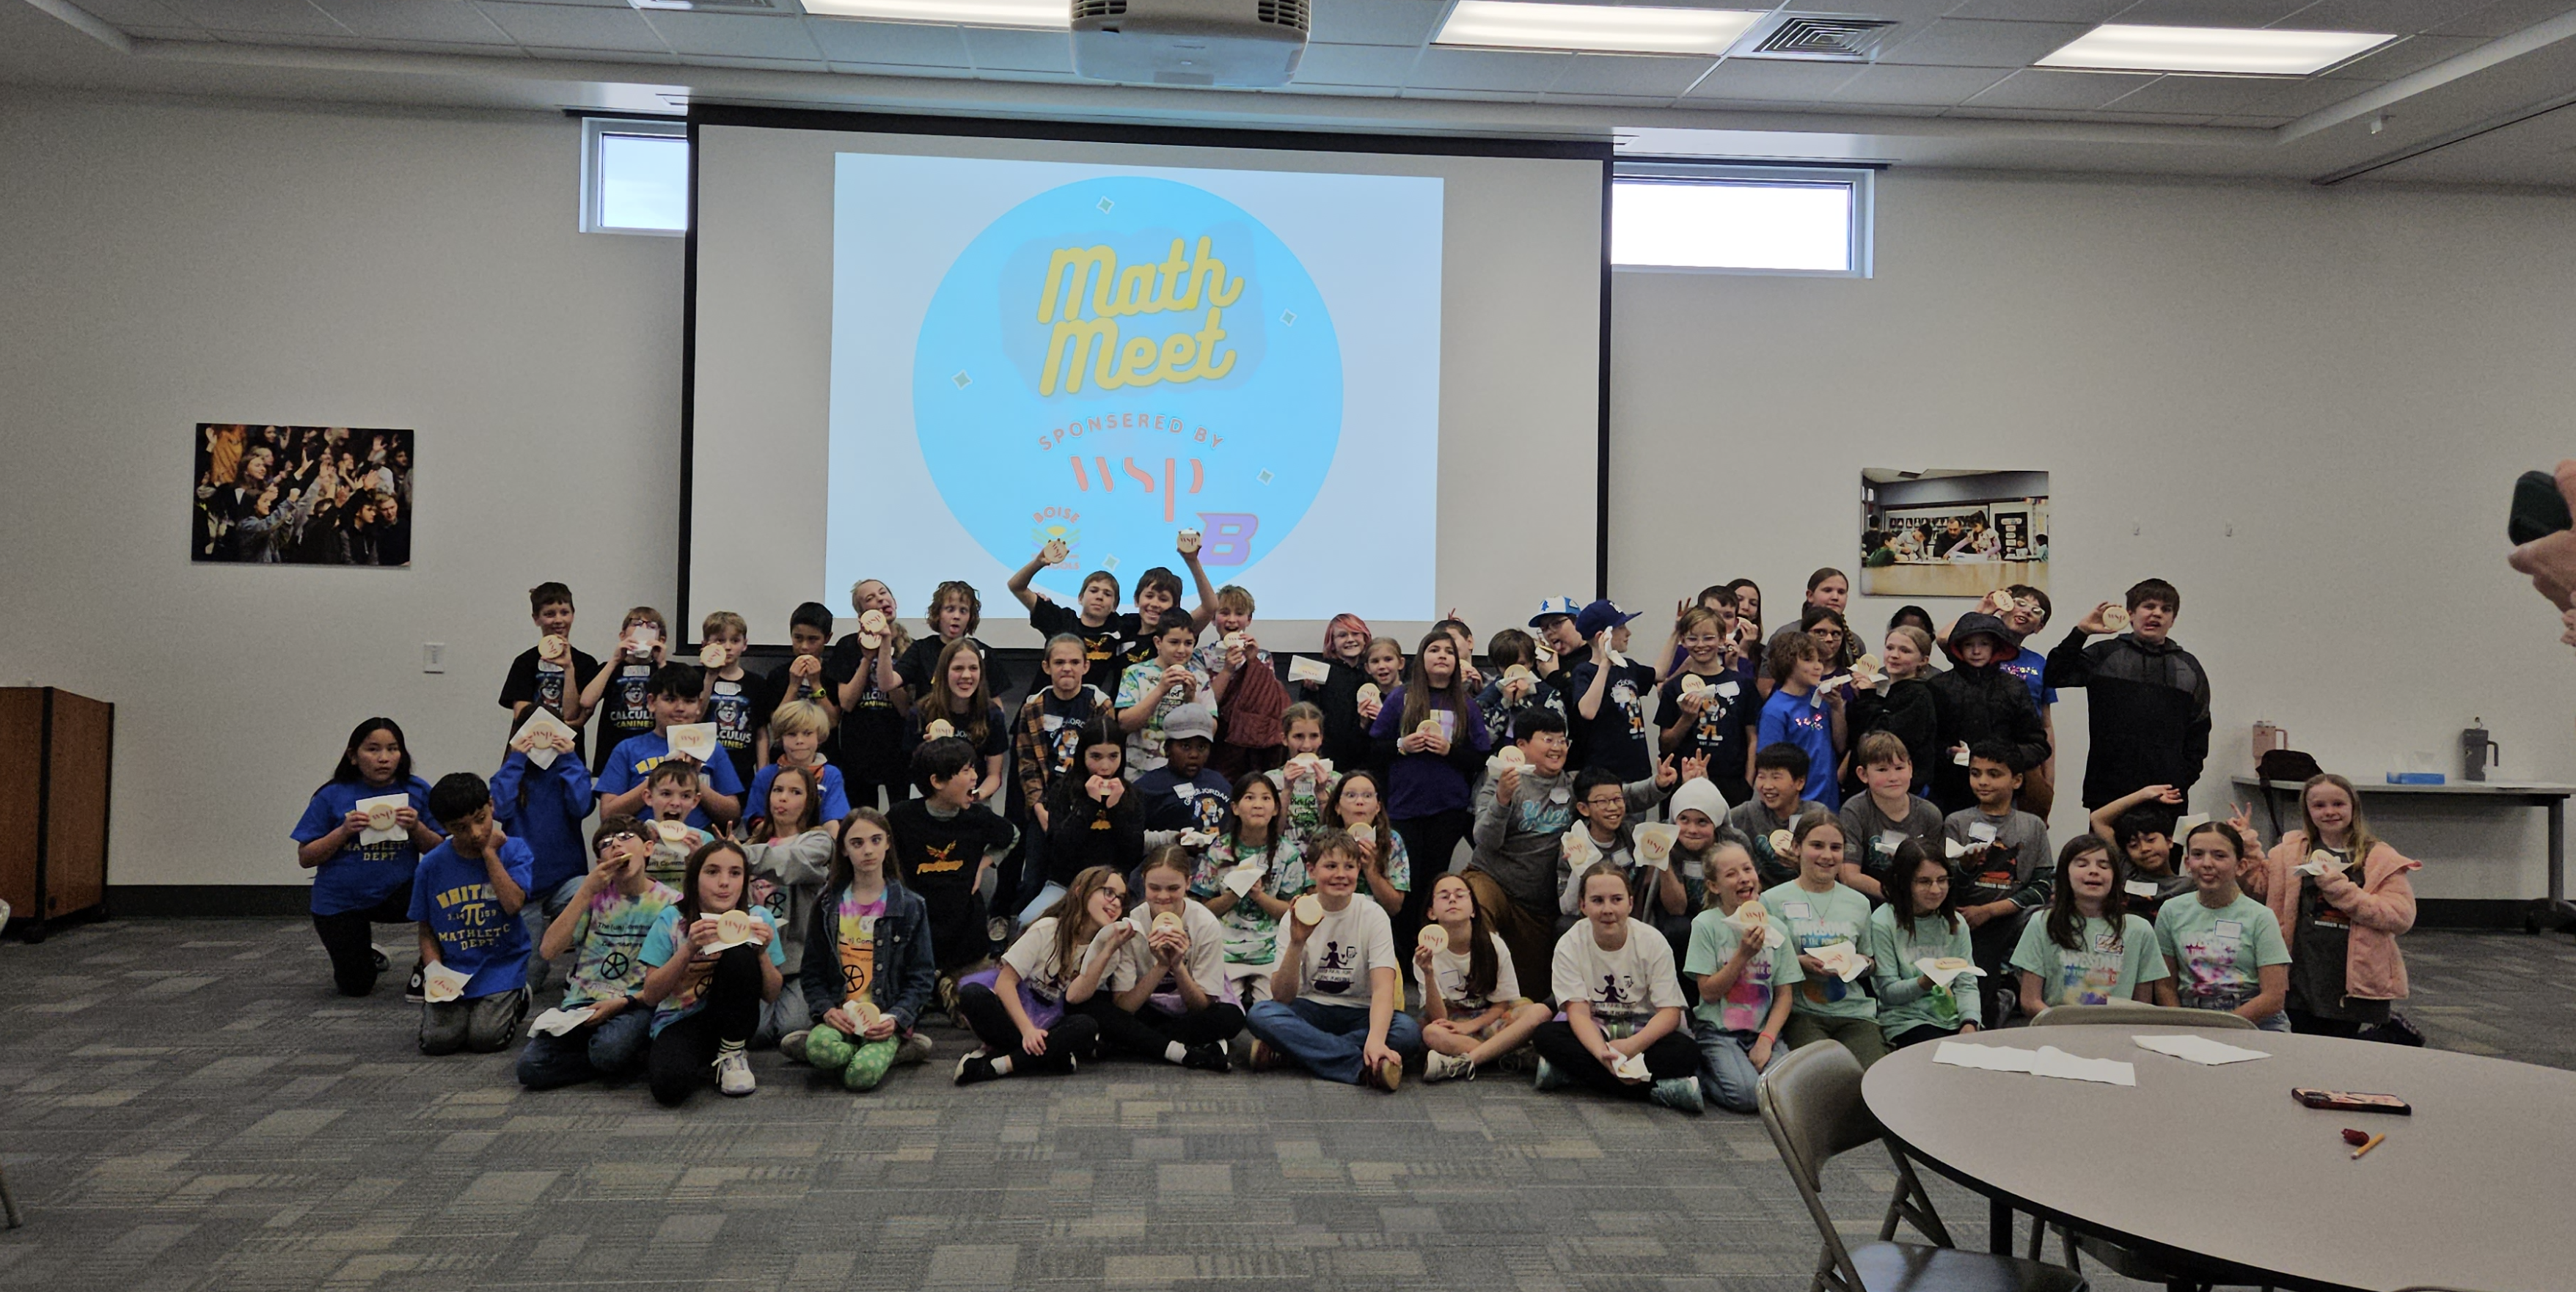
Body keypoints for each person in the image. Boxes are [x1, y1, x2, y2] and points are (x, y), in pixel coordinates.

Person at [2243, 774, 2420, 1038]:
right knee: (2300, 1043)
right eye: (2319, 805)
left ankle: (2396, 1036)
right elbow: (2259, 887)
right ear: (2308, 811)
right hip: (2300, 971)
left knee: (2342, 1049)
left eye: (2338, 804)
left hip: (2352, 977)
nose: (2329, 812)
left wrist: (2341, 890)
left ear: (2353, 807)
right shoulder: (2290, 851)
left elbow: (2400, 917)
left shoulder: (2379, 856)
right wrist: (2244, 847)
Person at [1245, 831, 1421, 1090]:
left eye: (1349, 866)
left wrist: (1375, 1038)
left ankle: (1296, 1051)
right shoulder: (1294, 916)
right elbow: (1282, 997)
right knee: (1261, 1014)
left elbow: (1383, 988)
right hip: (1310, 1009)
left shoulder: (1374, 915)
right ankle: (1360, 1067)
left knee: (1407, 1032)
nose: (1341, 874)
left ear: (1359, 870)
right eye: (1331, 866)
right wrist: (1297, 943)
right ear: (1311, 870)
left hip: (1361, 1011)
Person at [516, 817, 679, 1090]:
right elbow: (548, 950)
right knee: (530, 1068)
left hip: (633, 1004)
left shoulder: (671, 903)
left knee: (609, 1049)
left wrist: (623, 1004)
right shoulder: (593, 897)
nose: (616, 844)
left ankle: (614, 1056)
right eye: (606, 844)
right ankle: (626, 1060)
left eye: (626, 837)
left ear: (648, 848)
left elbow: (673, 979)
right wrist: (585, 892)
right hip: (583, 1005)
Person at [1533, 863, 1703, 1113]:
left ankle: (1575, 1076)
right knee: (1545, 1035)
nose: (1608, 909)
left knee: (1687, 1052)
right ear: (1583, 906)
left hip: (1642, 1032)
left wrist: (1632, 1047)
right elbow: (1578, 1013)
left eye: (1616, 900)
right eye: (1597, 900)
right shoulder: (1570, 943)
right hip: (1596, 1030)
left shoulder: (1653, 941)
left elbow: (1670, 1013)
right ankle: (1657, 1090)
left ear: (1630, 903)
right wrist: (1603, 1054)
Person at [293, 718, 444, 998]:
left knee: (447, 895)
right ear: (353, 756)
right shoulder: (331, 795)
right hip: (340, 900)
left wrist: (417, 827)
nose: (384, 758)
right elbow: (306, 857)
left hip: (399, 891)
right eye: (373, 750)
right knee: (356, 986)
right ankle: (362, 952)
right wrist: (343, 831)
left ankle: (431, 968)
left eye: (393, 749)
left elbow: (442, 852)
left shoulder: (417, 790)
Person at [794, 808, 939, 1091]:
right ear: (845, 850)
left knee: (860, 1077)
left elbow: (922, 976)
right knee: (822, 1049)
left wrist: (897, 1019)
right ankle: (883, 1052)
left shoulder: (910, 906)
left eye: (876, 840)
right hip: (842, 1017)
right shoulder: (826, 905)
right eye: (857, 843)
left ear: (887, 843)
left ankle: (889, 1049)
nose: (868, 851)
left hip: (883, 1020)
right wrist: (826, 1011)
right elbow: (811, 972)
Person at [639, 840, 787, 1104]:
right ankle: (701, 1059)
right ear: (695, 878)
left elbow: (772, 994)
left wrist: (762, 953)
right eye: (712, 872)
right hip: (680, 1019)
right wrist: (688, 949)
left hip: (736, 1019)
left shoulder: (759, 919)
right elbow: (651, 995)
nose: (724, 883)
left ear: (745, 880)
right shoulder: (672, 920)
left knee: (740, 954)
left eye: (735, 873)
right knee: (669, 1090)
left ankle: (732, 1053)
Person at [2043, 578, 2211, 810]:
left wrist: (2181, 781)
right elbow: (2055, 675)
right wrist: (2081, 632)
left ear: (2173, 619)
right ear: (2130, 613)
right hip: (2108, 791)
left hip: (2167, 794)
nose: (2157, 614)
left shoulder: (2188, 668)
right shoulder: (2105, 655)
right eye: (2149, 606)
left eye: (2166, 609)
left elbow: (2199, 731)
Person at [1371, 628, 1490, 947]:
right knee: (1404, 884)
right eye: (1434, 650)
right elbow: (1374, 748)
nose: (1442, 656)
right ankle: (1402, 956)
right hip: (1404, 807)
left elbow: (1481, 757)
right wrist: (1402, 744)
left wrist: (1450, 751)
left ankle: (1430, 950)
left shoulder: (1466, 704)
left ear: (1457, 661)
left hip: (1447, 810)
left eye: (1449, 652)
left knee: (1433, 882)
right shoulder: (1402, 697)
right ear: (1421, 658)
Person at [1072, 848, 1242, 1070]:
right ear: (1143, 882)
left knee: (1231, 1018)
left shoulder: (1205, 924)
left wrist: (1178, 965)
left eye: (1173, 888)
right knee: (1090, 1007)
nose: (1163, 897)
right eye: (1154, 888)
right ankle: (1182, 1051)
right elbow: (1124, 1006)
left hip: (1188, 1013)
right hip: (1147, 1009)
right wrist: (1161, 966)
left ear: (1188, 884)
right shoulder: (1132, 923)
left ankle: (1124, 1044)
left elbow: (1201, 1006)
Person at [952, 867, 1119, 1084]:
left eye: (1121, 898)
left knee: (1086, 1026)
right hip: (1016, 1015)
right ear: (1081, 892)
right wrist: (1028, 1031)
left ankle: (998, 1065)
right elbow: (1005, 984)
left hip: (1053, 1021)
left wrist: (1106, 952)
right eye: (1108, 893)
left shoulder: (1110, 951)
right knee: (972, 995)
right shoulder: (1048, 928)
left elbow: (1075, 998)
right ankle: (1051, 1056)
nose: (1116, 902)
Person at [410, 772, 534, 1054]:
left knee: (485, 1038)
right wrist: (434, 971)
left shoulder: (514, 851)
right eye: (460, 828)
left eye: (481, 819)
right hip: (455, 970)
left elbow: (513, 905)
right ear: (444, 827)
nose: (476, 834)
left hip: (503, 965)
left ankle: (518, 996)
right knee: (438, 1042)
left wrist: (490, 855)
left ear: (491, 805)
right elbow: (426, 928)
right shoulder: (431, 866)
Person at [888, 735, 1018, 1000]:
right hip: (918, 930)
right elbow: (880, 850)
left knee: (975, 1003)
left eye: (974, 768)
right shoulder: (901, 817)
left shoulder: (977, 817)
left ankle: (948, 983)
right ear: (937, 782)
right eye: (966, 771)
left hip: (965, 934)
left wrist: (983, 865)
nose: (975, 777)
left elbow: (1012, 835)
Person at [1760, 815, 1886, 1068]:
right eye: (1817, 846)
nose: (1827, 856)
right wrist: (1799, 963)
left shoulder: (1859, 903)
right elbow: (1762, 964)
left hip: (1854, 1013)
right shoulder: (1771, 900)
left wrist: (1860, 962)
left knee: (1874, 1076)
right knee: (1825, 1074)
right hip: (1802, 1012)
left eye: (1836, 848)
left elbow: (1871, 962)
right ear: (1797, 848)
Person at [1684, 841, 1799, 1114]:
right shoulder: (1706, 925)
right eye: (1731, 874)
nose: (1744, 878)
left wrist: (1767, 1039)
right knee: (1748, 1097)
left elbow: (1784, 994)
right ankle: (1699, 1075)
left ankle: (1738, 1067)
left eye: (1747, 869)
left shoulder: (1777, 928)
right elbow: (1709, 992)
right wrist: (1742, 955)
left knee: (1785, 1093)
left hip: (1761, 1030)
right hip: (1719, 1031)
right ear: (1714, 886)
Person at [1467, 708, 1577, 991]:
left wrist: (1660, 785)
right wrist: (1502, 800)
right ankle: (1467, 997)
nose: (1557, 748)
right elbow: (1484, 839)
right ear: (1522, 745)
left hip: (1536, 903)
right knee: (1471, 906)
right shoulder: (1498, 780)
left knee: (1531, 992)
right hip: (1492, 880)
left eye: (1562, 740)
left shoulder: (1572, 784)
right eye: (1548, 740)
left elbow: (1616, 796)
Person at [1944, 741, 2053, 1025]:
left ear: (2016, 780)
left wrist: (1992, 911)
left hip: (2012, 917)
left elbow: (2042, 886)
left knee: (2047, 918)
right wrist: (1966, 870)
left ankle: (2016, 997)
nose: (1982, 781)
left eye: (1994, 774)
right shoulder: (1957, 822)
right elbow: (1945, 885)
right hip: (1966, 916)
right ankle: (1992, 1004)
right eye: (1976, 773)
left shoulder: (2033, 826)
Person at [1415, 873, 1552, 1083]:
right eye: (1444, 896)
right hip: (1453, 1022)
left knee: (1540, 1012)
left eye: (1460, 895)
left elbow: (1502, 1004)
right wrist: (1428, 973)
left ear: (1473, 910)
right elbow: (1437, 1016)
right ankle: (1507, 1054)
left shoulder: (1494, 945)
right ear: (1431, 913)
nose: (1452, 899)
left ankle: (1469, 1060)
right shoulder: (1425, 954)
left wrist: (1472, 1026)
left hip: (1492, 1018)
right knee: (1431, 1033)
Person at [489, 720, 594, 992]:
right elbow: (499, 809)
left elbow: (582, 805)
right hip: (524, 886)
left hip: (566, 879)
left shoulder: (568, 771)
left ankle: (586, 970)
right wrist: (516, 760)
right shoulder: (512, 774)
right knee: (529, 980)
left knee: (592, 897)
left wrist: (570, 759)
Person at [2156, 821, 2291, 1031]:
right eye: (2198, 855)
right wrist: (2180, 1028)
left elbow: (2273, 998)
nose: (2207, 863)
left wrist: (2220, 1029)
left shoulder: (2261, 917)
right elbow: (2165, 985)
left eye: (2220, 856)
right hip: (2190, 1018)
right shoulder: (2171, 911)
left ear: (2241, 866)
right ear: (2187, 863)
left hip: (2254, 1020)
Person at [1012, 634, 1113, 915]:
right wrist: (1039, 807)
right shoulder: (1034, 707)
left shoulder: (1099, 705)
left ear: (1086, 666)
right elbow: (1027, 762)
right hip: (1045, 802)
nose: (1066, 668)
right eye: (1059, 662)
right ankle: (1024, 937)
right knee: (1033, 879)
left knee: (1085, 877)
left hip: (1086, 802)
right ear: (1046, 667)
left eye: (1073, 662)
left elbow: (1105, 758)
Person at [2011, 836, 2169, 1016]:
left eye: (2103, 866)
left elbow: (2142, 1008)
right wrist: (2066, 1026)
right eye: (2082, 864)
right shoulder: (2042, 923)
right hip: (2057, 1031)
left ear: (2115, 876)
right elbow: (2030, 1001)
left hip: (2116, 1033)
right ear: (2065, 873)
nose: (2093, 871)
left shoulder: (2140, 929)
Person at [739, 765, 837, 1048]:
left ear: (809, 802)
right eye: (778, 790)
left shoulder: (819, 841)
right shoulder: (751, 844)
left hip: (798, 961)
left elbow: (787, 862)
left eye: (795, 792)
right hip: (759, 958)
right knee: (755, 1033)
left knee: (789, 1028)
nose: (783, 798)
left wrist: (734, 855)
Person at [1191, 773, 1307, 1005]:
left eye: (1266, 798)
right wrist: (1235, 893)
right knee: (1222, 1012)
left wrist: (1259, 895)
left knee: (1271, 1016)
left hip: (1271, 949)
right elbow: (1204, 910)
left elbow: (1292, 912)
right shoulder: (1219, 849)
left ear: (1275, 809)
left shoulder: (1288, 854)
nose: (1257, 805)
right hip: (1225, 948)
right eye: (1249, 797)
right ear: (1235, 808)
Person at [1924, 612, 2049, 818]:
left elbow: (2037, 745)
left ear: (1996, 647)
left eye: (1983, 644)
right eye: (1968, 645)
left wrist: (2003, 759)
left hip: (2003, 795)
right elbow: (1926, 742)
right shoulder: (1939, 687)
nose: (1976, 651)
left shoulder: (2014, 687)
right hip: (1949, 791)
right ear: (1958, 648)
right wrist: (1948, 753)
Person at [596, 661, 744, 828]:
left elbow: (733, 816)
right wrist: (660, 778)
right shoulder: (628, 749)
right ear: (652, 702)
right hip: (643, 844)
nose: (680, 708)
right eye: (670, 699)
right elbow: (607, 815)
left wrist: (693, 779)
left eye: (689, 701)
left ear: (699, 705)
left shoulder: (712, 748)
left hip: (698, 845)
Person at [1866, 842, 1978, 1049]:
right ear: (1904, 882)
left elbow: (1966, 984)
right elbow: (1888, 992)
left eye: (1942, 880)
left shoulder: (1956, 923)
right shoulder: (1883, 922)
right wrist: (1925, 982)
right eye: (1924, 882)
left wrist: (1970, 1022)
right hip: (1906, 1021)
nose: (1936, 890)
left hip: (1953, 1018)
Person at [1037, 717, 1145, 922]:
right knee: (1029, 921)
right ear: (1082, 755)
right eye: (1096, 756)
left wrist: (1116, 810)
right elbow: (1058, 850)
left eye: (1113, 756)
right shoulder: (1063, 790)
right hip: (1067, 884)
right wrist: (1089, 805)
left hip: (1114, 887)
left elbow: (1132, 855)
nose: (1105, 767)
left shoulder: (1133, 795)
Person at [1658, 607, 1757, 807]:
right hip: (1683, 780)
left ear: (1722, 639)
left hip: (1731, 783)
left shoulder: (1742, 684)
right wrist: (1686, 718)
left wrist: (1748, 781)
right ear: (1683, 641)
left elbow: (1752, 737)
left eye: (1708, 638)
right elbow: (1665, 744)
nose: (1701, 645)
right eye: (1693, 639)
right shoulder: (1673, 687)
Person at [825, 579, 910, 812]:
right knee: (862, 818)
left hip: (898, 748)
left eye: (884, 593)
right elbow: (847, 703)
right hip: (858, 749)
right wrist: (867, 658)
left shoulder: (910, 648)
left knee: (900, 817)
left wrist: (885, 649)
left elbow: (905, 709)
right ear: (862, 614)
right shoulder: (848, 646)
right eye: (870, 598)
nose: (881, 599)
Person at [497, 581, 600, 765]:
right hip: (530, 754)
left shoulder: (586, 663)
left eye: (564, 613)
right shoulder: (525, 662)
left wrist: (569, 668)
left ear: (573, 615)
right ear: (536, 619)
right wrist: (562, 728)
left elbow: (572, 715)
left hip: (569, 755)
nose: (558, 620)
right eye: (549, 614)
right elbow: (522, 714)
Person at [1836, 731, 1943, 902]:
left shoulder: (1929, 814)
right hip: (1868, 904)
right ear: (1863, 774)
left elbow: (1937, 873)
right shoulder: (1854, 811)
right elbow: (1849, 875)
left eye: (1899, 768)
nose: (1893, 778)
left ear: (1910, 769)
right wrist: (1898, 896)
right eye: (1882, 770)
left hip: (1917, 904)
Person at [1009, 551, 1135, 694]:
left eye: (1107, 594)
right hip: (1041, 708)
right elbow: (1016, 586)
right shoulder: (1062, 620)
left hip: (1084, 711)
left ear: (1115, 606)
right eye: (1094, 591)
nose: (1100, 597)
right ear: (1080, 598)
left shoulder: (1120, 627)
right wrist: (1038, 563)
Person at [1201, 584, 1291, 779]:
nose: (1232, 619)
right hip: (1215, 739)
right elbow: (1205, 705)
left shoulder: (1263, 657)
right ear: (1212, 619)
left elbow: (1266, 705)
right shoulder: (1202, 657)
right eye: (1224, 613)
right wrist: (1227, 670)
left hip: (1250, 744)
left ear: (1248, 620)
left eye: (1239, 613)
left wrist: (1253, 661)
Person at [910, 638, 1009, 807]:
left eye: (973, 668)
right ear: (943, 672)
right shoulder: (920, 713)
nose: (966, 676)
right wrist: (926, 753)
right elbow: (914, 775)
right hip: (931, 799)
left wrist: (975, 796)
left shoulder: (992, 714)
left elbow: (994, 776)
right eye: (958, 668)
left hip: (975, 799)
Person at [1567, 600, 1658, 781]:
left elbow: (1660, 673)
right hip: (1606, 776)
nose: (1628, 633)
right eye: (1622, 627)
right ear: (1603, 636)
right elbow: (1587, 711)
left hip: (1637, 771)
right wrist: (1604, 663)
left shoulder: (1628, 666)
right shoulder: (1584, 671)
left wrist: (1676, 634)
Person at [577, 606, 670, 778]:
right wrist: (614, 660)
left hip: (656, 758)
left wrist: (661, 663)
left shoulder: (667, 670)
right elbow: (586, 701)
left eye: (651, 626)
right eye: (636, 624)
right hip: (613, 755)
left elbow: (676, 706)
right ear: (623, 635)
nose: (643, 629)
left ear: (661, 638)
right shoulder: (611, 668)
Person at [1844, 625, 1937, 796]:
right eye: (1890, 648)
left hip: (1901, 790)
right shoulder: (1889, 692)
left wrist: (1867, 697)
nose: (1894, 655)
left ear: (1923, 660)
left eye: (1905, 651)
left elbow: (1884, 738)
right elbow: (1857, 735)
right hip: (1870, 787)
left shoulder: (1919, 696)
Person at [894, 579, 1012, 712]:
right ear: (938, 613)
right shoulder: (921, 649)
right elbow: (890, 682)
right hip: (930, 725)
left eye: (963, 611)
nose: (956, 616)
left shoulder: (984, 652)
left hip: (972, 728)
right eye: (950, 609)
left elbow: (995, 701)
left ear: (970, 617)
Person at [1756, 631, 1842, 811]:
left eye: (1820, 661)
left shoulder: (1821, 700)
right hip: (1794, 804)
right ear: (1788, 662)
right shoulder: (1775, 710)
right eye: (1809, 660)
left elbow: (1840, 745)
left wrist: (1837, 708)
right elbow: (1769, 762)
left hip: (1827, 800)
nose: (1818, 667)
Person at [1117, 619, 1214, 778]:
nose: (1181, 650)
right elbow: (1125, 724)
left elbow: (1211, 730)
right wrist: (1160, 689)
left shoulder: (1200, 678)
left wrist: (1191, 699)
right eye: (1174, 642)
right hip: (1139, 773)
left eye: (1188, 643)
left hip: (1185, 773)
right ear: (1158, 642)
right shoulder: (1135, 673)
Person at [747, 603, 839, 768]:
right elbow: (776, 726)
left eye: (813, 640)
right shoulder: (778, 674)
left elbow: (832, 722)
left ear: (827, 638)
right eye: (798, 638)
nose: (804, 646)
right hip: (783, 757)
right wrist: (794, 685)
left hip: (823, 757)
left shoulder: (833, 674)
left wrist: (816, 684)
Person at [2090, 784, 2194, 922]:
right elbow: (2098, 819)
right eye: (2134, 845)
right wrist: (2144, 794)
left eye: (2151, 840)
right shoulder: (2126, 870)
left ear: (2169, 841)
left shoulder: (2189, 886)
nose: (2144, 849)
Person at [1730, 744, 1826, 890]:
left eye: (1776, 777)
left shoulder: (1816, 815)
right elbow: (1715, 825)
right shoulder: (1748, 812)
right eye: (1761, 776)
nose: (1767, 786)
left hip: (1807, 893)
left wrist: (1803, 865)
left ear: (1800, 782)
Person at [746, 700, 851, 831]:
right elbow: (756, 824)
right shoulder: (766, 775)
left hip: (818, 845)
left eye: (807, 733)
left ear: (819, 736)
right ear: (780, 738)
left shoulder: (830, 775)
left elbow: (833, 824)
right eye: (792, 734)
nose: (800, 741)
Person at [698, 610, 764, 790]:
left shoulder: (756, 683)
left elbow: (761, 734)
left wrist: (762, 776)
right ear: (705, 644)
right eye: (720, 640)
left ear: (745, 645)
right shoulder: (696, 678)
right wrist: (709, 679)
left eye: (735, 641)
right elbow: (694, 718)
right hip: (705, 769)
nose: (727, 647)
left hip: (742, 771)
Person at [1302, 612, 1377, 768]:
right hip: (1331, 757)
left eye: (1356, 634)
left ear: (1365, 638)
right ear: (1333, 643)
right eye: (1342, 635)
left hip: (1364, 757)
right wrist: (1310, 691)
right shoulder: (1320, 673)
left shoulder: (1371, 673)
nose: (1350, 639)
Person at [1474, 628, 1565, 757]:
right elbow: (1482, 739)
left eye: (1521, 664)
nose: (1515, 671)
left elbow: (1557, 738)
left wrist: (1521, 703)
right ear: (1497, 666)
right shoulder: (1489, 695)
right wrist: (1505, 702)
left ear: (1531, 662)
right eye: (1507, 666)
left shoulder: (1548, 695)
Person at [1268, 702, 1341, 840]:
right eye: (1298, 736)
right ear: (1285, 739)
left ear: (1321, 738)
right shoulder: (1271, 780)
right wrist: (1287, 790)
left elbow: (1337, 835)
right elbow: (1271, 834)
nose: (1307, 745)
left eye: (1314, 736)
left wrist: (1321, 794)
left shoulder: (1336, 781)